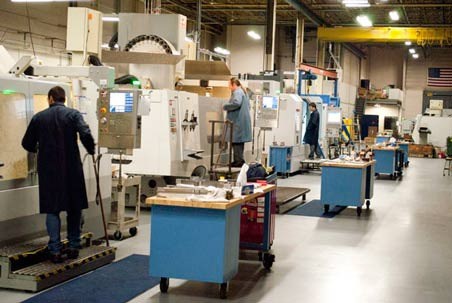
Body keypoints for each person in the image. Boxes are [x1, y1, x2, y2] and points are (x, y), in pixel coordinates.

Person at [22, 86, 95, 263]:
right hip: (71, 168)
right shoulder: (73, 114)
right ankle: (73, 246)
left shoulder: (39, 118)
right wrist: (91, 149)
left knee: (52, 210)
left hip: (49, 170)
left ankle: (54, 250)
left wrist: (39, 148)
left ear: (50, 99)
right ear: (63, 99)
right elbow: (85, 133)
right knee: (74, 207)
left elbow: (27, 143)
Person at [223, 78, 252, 167]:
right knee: (238, 142)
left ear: (233, 85)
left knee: (236, 142)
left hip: (238, 122)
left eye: (229, 84)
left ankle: (238, 161)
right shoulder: (243, 92)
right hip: (240, 122)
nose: (228, 87)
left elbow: (236, 103)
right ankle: (238, 160)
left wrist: (225, 106)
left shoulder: (237, 92)